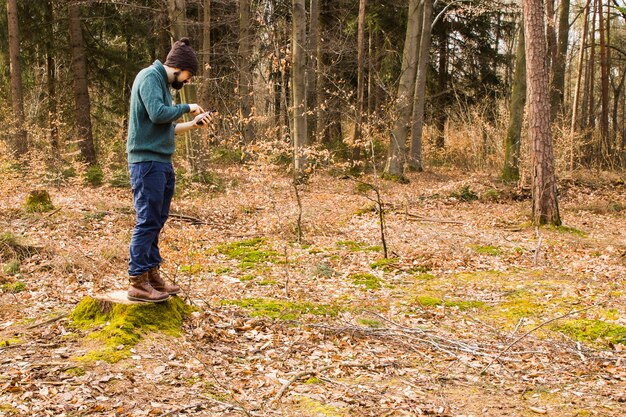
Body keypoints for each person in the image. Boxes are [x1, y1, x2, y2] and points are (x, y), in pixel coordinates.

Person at [126, 37, 212, 302]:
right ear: (179, 67)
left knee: (157, 220)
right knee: (147, 220)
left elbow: (165, 125)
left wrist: (193, 124)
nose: (187, 81)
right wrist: (187, 107)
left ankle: (151, 274)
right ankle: (137, 279)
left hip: (161, 161)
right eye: (188, 76)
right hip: (147, 163)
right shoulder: (149, 77)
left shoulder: (162, 85)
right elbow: (158, 114)